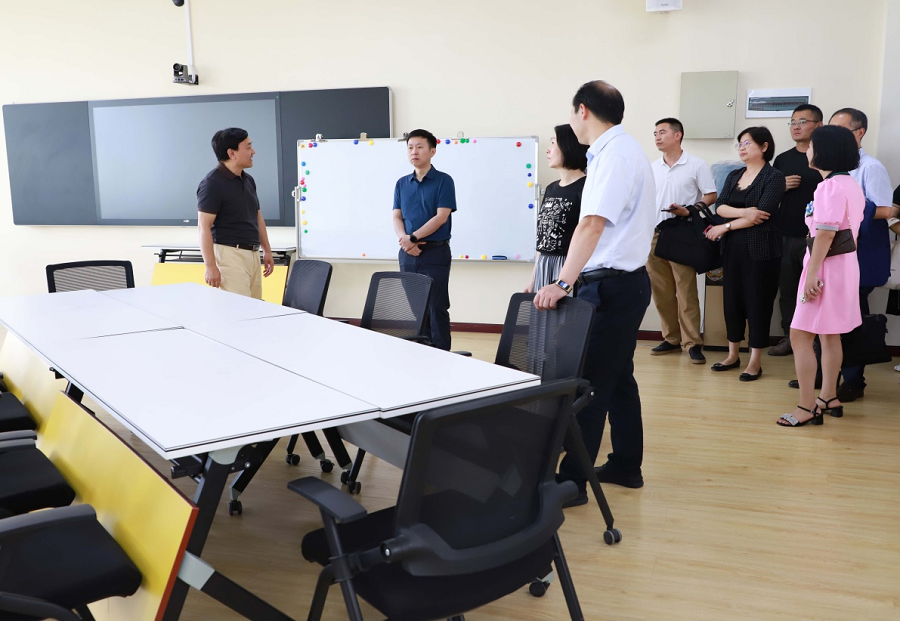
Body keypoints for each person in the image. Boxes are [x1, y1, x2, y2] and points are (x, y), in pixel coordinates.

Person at [534, 80, 656, 499]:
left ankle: (572, 482)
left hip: (609, 287)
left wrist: (562, 282)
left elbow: (591, 224)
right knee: (618, 379)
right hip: (621, 284)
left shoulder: (615, 154)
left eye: (571, 113)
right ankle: (626, 464)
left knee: (588, 386)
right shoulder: (619, 151)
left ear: (582, 110)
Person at [777, 125, 864, 427]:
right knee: (829, 334)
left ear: (824, 150)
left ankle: (806, 406)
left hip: (823, 268)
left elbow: (825, 234)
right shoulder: (850, 184)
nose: (808, 150)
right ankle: (828, 397)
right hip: (844, 268)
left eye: (812, 145)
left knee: (800, 335)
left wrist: (811, 273)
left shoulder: (828, 187)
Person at [706, 127, 785, 381]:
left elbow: (761, 215)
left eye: (747, 143)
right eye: (739, 143)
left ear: (764, 146)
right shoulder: (734, 175)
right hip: (732, 249)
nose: (741, 147)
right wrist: (744, 212)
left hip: (761, 251)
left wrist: (725, 226)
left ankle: (755, 361)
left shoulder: (774, 177)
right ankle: (732, 355)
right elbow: (720, 206)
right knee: (732, 301)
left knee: (758, 302)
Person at [829, 109, 896, 402]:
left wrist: (845, 209)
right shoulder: (834, 167)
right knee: (832, 317)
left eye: (840, 130)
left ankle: (854, 380)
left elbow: (885, 210)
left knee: (852, 318)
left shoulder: (871, 166)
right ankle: (827, 376)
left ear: (859, 133)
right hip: (836, 253)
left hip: (860, 255)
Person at [646, 117, 717, 364]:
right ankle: (671, 338)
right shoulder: (652, 167)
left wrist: (690, 210)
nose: (657, 137)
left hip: (682, 233)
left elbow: (711, 194)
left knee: (685, 291)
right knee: (661, 292)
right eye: (655, 133)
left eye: (662, 132)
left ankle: (693, 343)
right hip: (654, 233)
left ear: (678, 135)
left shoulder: (696, 164)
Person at [392, 129, 457, 350]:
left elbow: (441, 217)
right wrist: (405, 241)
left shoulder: (444, 181)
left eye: (419, 147)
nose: (414, 152)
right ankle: (423, 352)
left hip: (435, 252)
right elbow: (397, 216)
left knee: (436, 307)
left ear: (432, 151)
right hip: (408, 254)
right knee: (416, 308)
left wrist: (413, 238)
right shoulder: (402, 183)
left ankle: (442, 353)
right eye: (410, 147)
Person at [770, 104, 824, 356]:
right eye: (792, 122)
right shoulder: (782, 159)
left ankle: (816, 340)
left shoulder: (824, 158)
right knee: (788, 289)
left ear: (819, 126)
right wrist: (780, 186)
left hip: (818, 236)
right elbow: (768, 197)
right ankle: (789, 337)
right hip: (786, 234)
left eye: (802, 121)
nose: (795, 126)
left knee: (816, 289)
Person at [198, 128, 274, 299]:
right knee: (238, 310)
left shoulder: (248, 180)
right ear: (231, 153)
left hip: (252, 254)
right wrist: (210, 266)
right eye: (248, 147)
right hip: (229, 255)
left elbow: (257, 217)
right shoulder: (212, 183)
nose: (253, 152)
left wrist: (267, 250)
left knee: (255, 309)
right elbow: (203, 227)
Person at [525, 124, 588, 292]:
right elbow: (543, 239)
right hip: (543, 265)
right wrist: (533, 280)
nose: (548, 149)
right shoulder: (551, 188)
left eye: (553, 143)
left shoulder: (587, 187)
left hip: (569, 269)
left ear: (569, 146)